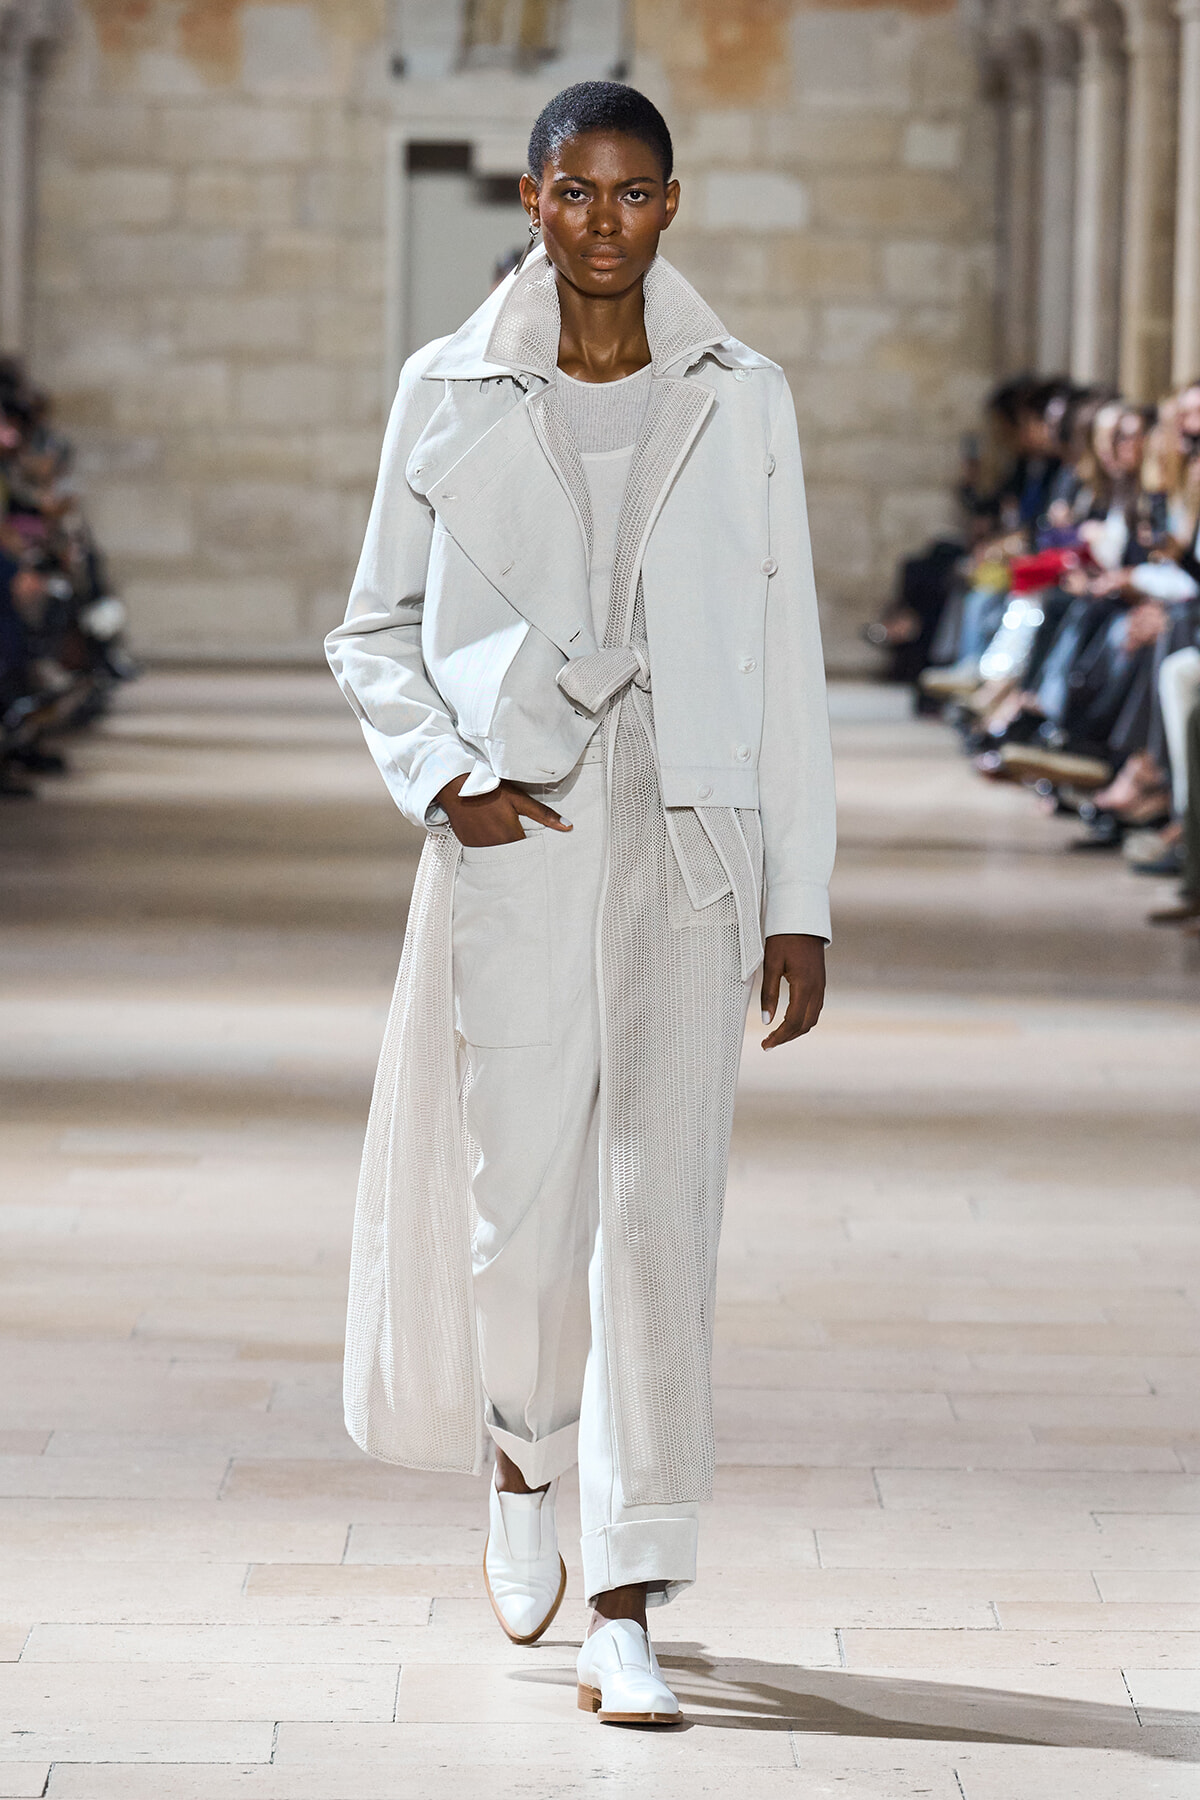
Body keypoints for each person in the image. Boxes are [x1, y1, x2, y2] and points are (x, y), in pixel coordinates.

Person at [326, 81, 835, 1727]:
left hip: (694, 836)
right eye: (575, 191)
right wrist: (447, 781)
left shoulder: (742, 396)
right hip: (522, 834)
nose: (604, 222)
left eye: (633, 193)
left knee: (660, 1212)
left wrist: (801, 894)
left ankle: (629, 1590)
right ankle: (521, 1455)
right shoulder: (447, 387)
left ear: (672, 204)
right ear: (533, 200)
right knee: (521, 1203)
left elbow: (787, 649)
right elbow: (373, 627)